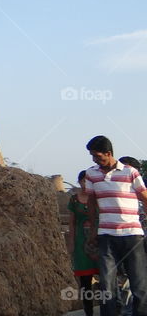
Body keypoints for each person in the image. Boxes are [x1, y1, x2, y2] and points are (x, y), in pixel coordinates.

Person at [85, 135, 147, 316]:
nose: (94, 160)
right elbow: (91, 202)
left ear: (108, 153)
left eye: (97, 156)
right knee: (107, 285)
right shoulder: (91, 174)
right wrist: (93, 230)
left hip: (132, 235)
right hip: (106, 235)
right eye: (92, 156)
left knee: (138, 284)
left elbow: (145, 197)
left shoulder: (130, 172)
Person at [70, 169, 101, 316]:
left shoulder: (99, 197)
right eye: (83, 181)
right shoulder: (74, 200)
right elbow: (72, 223)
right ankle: (89, 312)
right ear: (79, 182)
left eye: (88, 181)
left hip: (99, 241)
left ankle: (109, 308)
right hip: (81, 244)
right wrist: (71, 243)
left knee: (106, 277)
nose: (86, 184)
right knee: (85, 281)